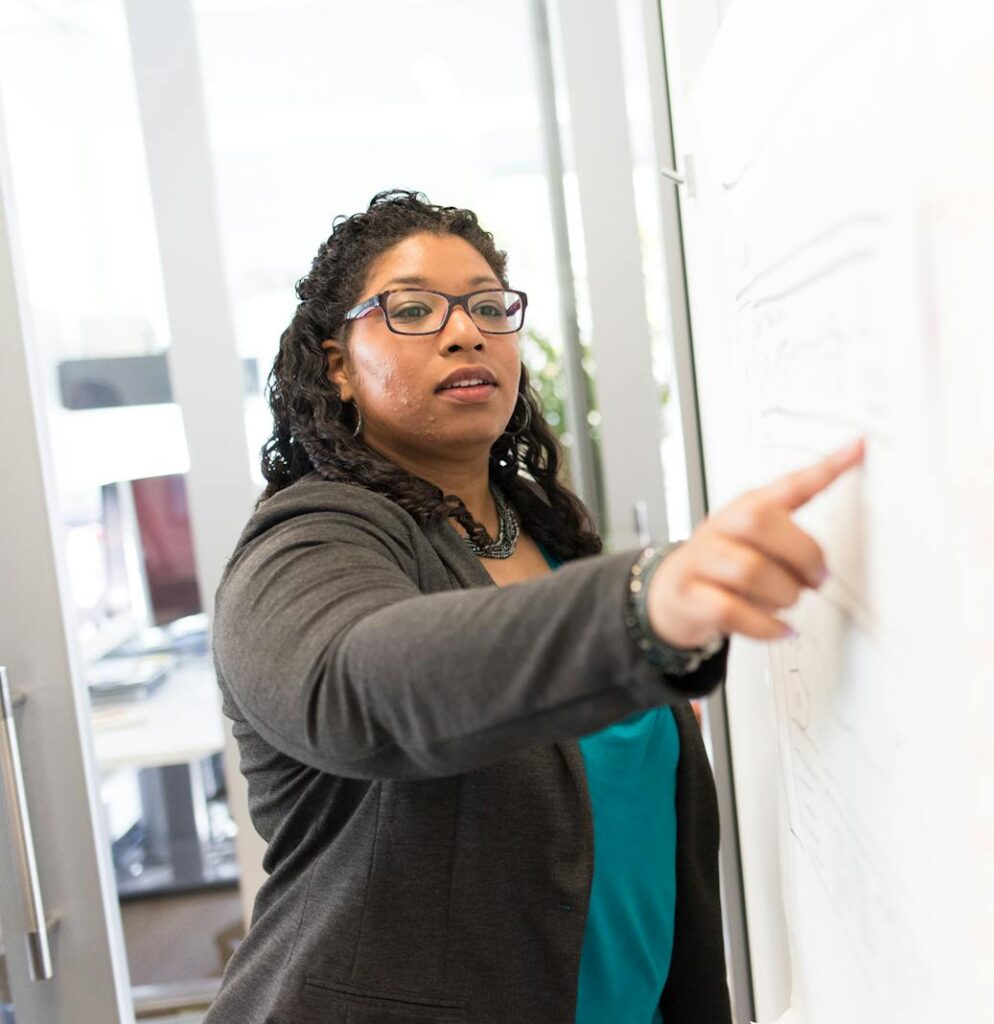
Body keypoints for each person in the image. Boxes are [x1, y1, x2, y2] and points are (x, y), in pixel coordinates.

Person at [204, 190, 864, 1024]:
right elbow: (355, 683)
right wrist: (642, 600)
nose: (465, 330)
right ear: (337, 363)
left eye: (488, 306)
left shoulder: (553, 537)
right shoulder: (307, 541)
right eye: (413, 309)